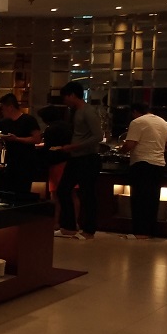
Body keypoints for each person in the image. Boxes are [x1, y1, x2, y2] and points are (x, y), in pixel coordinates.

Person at [119, 102, 167, 239]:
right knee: (153, 199)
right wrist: (157, 142)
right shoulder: (162, 122)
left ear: (134, 112)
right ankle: (151, 231)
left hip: (141, 164)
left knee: (139, 199)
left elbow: (130, 144)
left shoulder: (137, 122)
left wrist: (121, 150)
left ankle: (140, 232)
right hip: (159, 164)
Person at [55, 81, 103, 240]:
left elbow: (98, 136)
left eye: (65, 97)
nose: (64, 101)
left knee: (88, 194)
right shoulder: (76, 112)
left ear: (72, 95)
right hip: (76, 157)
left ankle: (89, 230)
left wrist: (73, 146)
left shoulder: (88, 111)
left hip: (88, 158)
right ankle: (68, 227)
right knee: (63, 190)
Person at [0, 93, 41, 197]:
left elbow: (37, 139)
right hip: (11, 161)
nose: (1, 111)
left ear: (10, 107)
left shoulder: (28, 120)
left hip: (26, 161)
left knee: (22, 191)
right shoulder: (4, 122)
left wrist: (17, 139)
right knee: (8, 190)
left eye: (3, 109)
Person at [38, 105, 76, 228]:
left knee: (55, 194)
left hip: (57, 163)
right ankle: (74, 222)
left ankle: (55, 222)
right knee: (73, 194)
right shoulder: (69, 126)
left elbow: (48, 147)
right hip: (71, 161)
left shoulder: (51, 129)